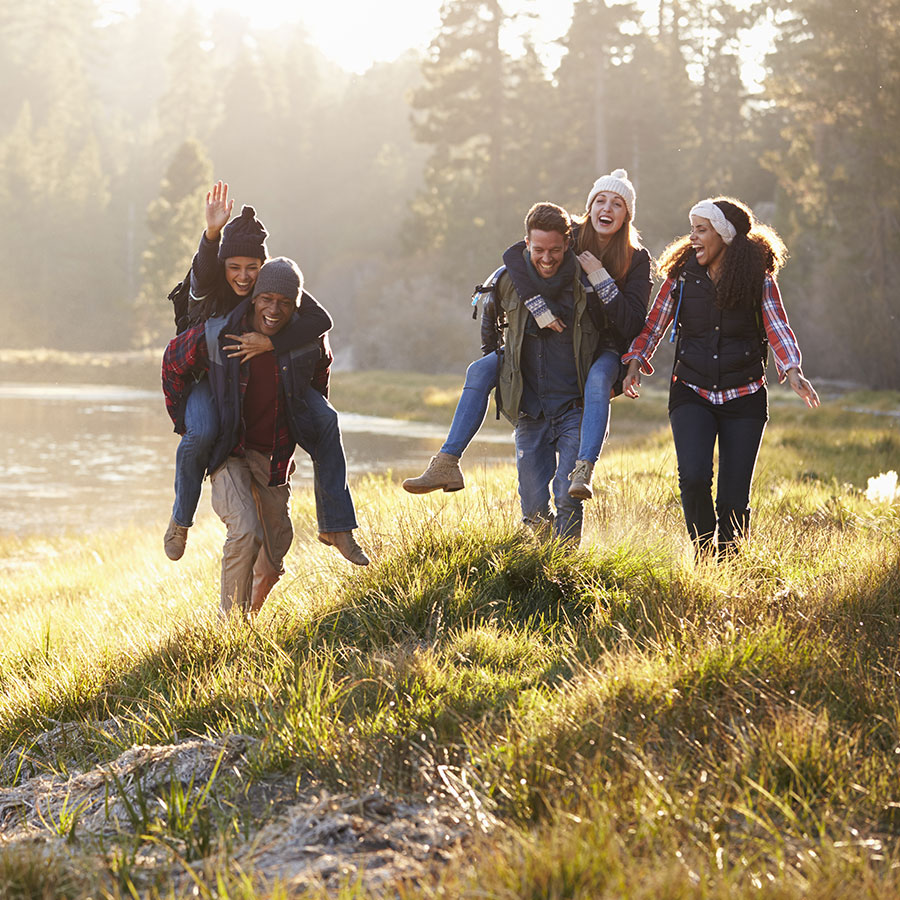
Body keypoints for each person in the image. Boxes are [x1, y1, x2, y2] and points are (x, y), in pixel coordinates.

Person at [402, 169, 650, 502]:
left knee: (598, 380)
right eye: (600, 200)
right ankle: (447, 460)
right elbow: (513, 257)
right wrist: (538, 308)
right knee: (478, 370)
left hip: (602, 345)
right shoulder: (571, 235)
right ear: (589, 206)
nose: (607, 208)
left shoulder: (636, 258)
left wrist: (601, 277)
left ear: (627, 214)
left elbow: (633, 323)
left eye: (617, 204)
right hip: (552, 340)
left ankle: (584, 467)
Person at [162, 257, 369, 618]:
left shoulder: (307, 341)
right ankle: (231, 630)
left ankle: (252, 616)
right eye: (266, 299)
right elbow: (172, 361)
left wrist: (305, 416)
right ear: (254, 297)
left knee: (272, 563)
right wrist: (188, 420)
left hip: (272, 457)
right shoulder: (222, 331)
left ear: (295, 305)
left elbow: (320, 380)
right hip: (229, 452)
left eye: (285, 303)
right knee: (245, 531)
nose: (274, 310)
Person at [622, 196, 819, 557]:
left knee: (733, 497)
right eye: (692, 229)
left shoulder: (757, 278)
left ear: (724, 235)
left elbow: (777, 325)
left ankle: (729, 562)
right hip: (691, 390)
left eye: (701, 230)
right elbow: (654, 323)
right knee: (694, 478)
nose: (693, 237)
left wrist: (792, 370)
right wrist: (636, 359)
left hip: (744, 395)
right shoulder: (680, 276)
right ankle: (703, 552)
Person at [164, 182, 331, 561]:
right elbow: (205, 269)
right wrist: (212, 234)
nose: (242, 276)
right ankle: (180, 521)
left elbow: (319, 318)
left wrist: (273, 343)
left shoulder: (270, 290)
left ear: (264, 269)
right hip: (208, 378)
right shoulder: (210, 289)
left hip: (250, 382)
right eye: (234, 267)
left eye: (251, 268)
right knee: (201, 432)